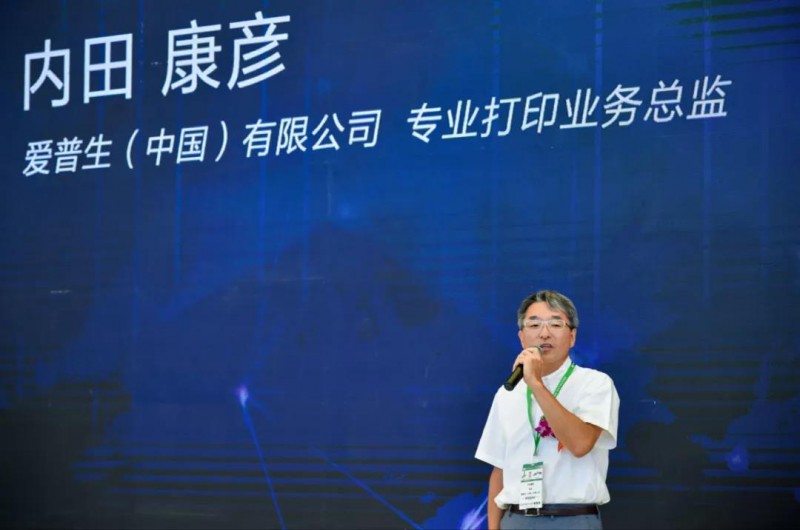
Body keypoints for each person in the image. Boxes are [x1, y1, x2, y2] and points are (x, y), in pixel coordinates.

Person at [475, 290, 620, 530]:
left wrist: (536, 383)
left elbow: (580, 445)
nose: (544, 333)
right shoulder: (507, 393)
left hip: (573, 519)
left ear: (572, 336)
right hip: (516, 519)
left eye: (555, 324)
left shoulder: (595, 384)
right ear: (522, 337)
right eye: (534, 325)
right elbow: (499, 469)